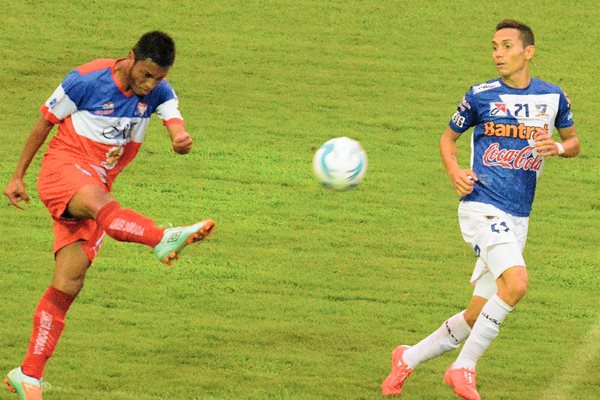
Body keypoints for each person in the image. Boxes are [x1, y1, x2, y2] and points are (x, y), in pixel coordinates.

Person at [3, 31, 215, 400]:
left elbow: (175, 125)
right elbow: (44, 122)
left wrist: (180, 140)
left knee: (69, 283)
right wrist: (17, 175)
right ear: (131, 58)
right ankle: (160, 238)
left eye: (159, 78)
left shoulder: (160, 92)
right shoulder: (86, 80)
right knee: (103, 207)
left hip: (97, 182)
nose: (150, 84)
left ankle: (28, 374)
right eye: (145, 75)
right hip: (62, 171)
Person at [381, 19, 580, 400]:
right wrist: (455, 171)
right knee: (516, 284)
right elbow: (447, 139)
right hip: (482, 207)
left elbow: (573, 142)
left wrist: (556, 147)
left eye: (506, 46)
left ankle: (407, 357)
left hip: (518, 217)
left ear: (528, 52)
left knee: (477, 315)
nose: (497, 54)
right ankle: (464, 367)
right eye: (494, 47)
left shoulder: (553, 97)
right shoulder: (480, 96)